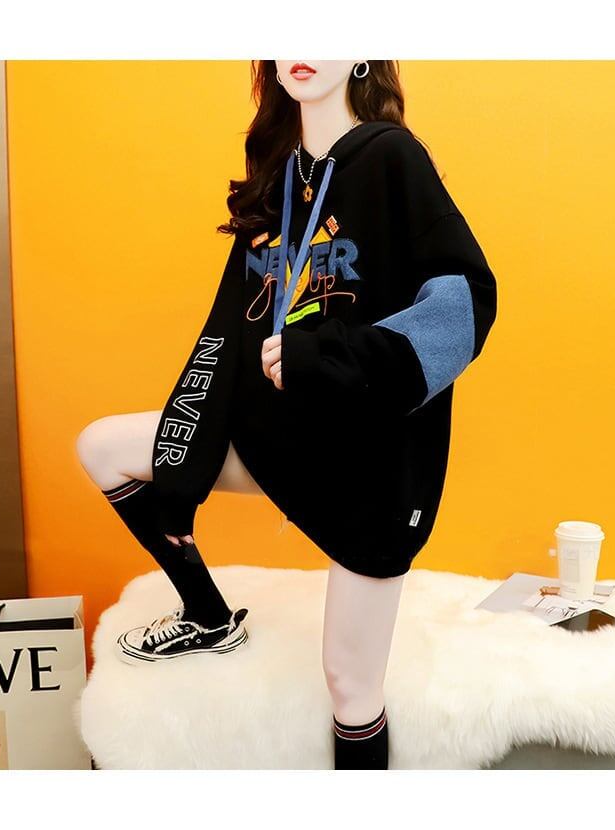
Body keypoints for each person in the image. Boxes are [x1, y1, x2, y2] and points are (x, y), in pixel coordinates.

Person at [76, 60, 498, 770]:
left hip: (370, 463)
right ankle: (208, 616)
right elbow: (227, 330)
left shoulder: (392, 158)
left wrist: (326, 355)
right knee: (101, 446)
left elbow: (464, 309)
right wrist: (184, 463)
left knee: (349, 684)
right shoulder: (277, 179)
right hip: (280, 437)